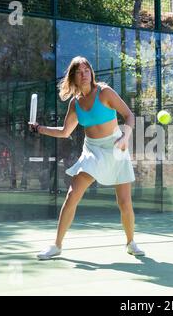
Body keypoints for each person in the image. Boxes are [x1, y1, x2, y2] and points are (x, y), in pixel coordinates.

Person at [30, 56, 144, 259]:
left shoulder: (105, 93)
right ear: (73, 77)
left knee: (124, 202)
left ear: (91, 73)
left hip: (116, 147)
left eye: (86, 70)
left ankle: (131, 242)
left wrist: (125, 137)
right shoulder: (75, 104)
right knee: (72, 195)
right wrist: (40, 129)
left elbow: (129, 115)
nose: (83, 74)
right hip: (92, 151)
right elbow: (65, 132)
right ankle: (57, 245)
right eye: (79, 72)